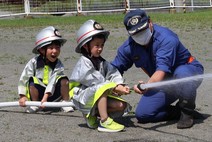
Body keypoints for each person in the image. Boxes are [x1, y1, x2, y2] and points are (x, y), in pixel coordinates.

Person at [111, 9, 204, 129]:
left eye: (143, 29)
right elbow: (113, 69)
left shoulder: (166, 38)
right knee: (143, 114)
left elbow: (160, 72)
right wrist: (114, 86)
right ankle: (178, 111)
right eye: (135, 33)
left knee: (182, 73)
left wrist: (145, 86)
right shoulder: (128, 48)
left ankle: (187, 112)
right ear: (129, 33)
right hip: (163, 82)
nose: (140, 35)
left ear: (150, 22)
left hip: (189, 71)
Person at [69, 20, 131, 132]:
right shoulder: (83, 62)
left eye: (102, 45)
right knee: (102, 88)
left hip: (94, 96)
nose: (100, 48)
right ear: (85, 46)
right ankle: (104, 121)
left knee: (121, 105)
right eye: (96, 45)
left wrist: (120, 84)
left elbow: (113, 73)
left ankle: (92, 114)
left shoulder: (101, 61)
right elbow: (97, 81)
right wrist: (115, 88)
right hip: (82, 97)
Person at [18, 26, 74, 113]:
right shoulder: (34, 62)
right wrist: (22, 96)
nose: (55, 51)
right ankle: (35, 104)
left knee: (64, 80)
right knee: (32, 81)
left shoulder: (58, 64)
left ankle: (65, 102)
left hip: (53, 95)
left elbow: (53, 81)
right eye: (51, 48)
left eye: (57, 47)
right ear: (41, 49)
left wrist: (46, 97)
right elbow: (24, 78)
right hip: (39, 95)